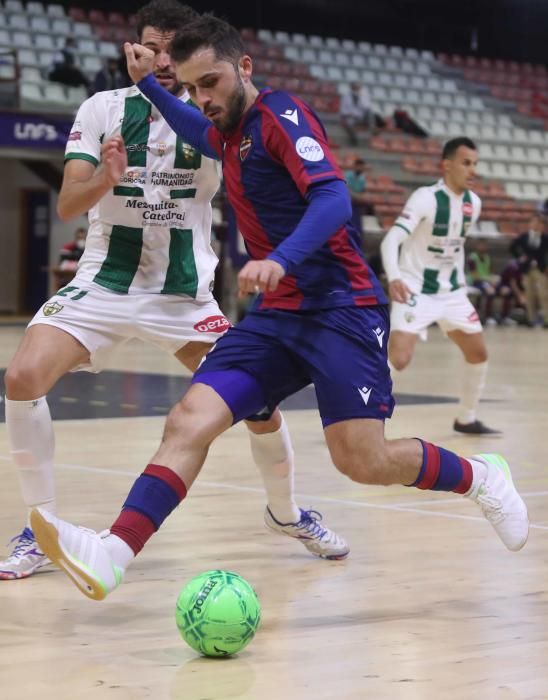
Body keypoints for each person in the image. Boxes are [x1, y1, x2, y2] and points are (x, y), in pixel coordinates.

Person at [30, 15, 528, 602]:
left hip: (342, 306)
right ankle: (114, 553)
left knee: (361, 461)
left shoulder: (281, 118)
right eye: (193, 87)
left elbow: (333, 197)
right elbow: (194, 126)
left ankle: (482, 477)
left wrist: (283, 260)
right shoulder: (222, 130)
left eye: (211, 82)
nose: (204, 99)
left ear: (245, 68)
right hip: (277, 316)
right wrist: (153, 88)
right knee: (189, 419)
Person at [0, 1, 348, 582]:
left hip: (185, 297)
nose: (160, 59)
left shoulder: (214, 116)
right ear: (132, 49)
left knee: (259, 404)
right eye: (149, 47)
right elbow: (66, 203)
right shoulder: (102, 108)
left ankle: (287, 515)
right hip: (104, 284)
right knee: (20, 378)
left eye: (170, 48)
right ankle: (39, 529)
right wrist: (106, 180)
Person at [380, 137, 500, 435]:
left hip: (452, 293)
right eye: (466, 163)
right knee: (399, 359)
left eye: (475, 164)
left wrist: (458, 283)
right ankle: (359, 417)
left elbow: (455, 246)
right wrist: (394, 277)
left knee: (478, 353)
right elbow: (391, 239)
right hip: (414, 288)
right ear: (447, 165)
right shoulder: (425, 197)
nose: (472, 169)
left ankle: (466, 418)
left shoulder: (475, 203)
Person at [510, 213, 548, 327]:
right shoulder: (524, 236)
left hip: (540, 269)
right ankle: (531, 319)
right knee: (529, 294)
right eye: (535, 222)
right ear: (530, 224)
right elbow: (512, 248)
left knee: (544, 294)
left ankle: (546, 319)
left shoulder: (545, 238)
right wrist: (520, 257)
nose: (537, 225)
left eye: (540, 223)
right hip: (526, 269)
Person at [467, 238, 497, 325]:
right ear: (477, 246)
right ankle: (488, 316)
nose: (483, 247)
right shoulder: (472, 257)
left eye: (484, 245)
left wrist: (492, 281)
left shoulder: (488, 258)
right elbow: (474, 275)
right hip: (474, 282)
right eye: (481, 245)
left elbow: (490, 273)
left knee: (496, 288)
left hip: (485, 281)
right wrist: (487, 280)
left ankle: (497, 316)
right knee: (490, 291)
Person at [344, 157, 373, 234]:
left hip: (357, 205)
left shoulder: (362, 178)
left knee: (357, 227)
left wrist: (365, 197)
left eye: (362, 167)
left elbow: (363, 191)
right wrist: (359, 197)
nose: (361, 169)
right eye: (359, 167)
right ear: (355, 166)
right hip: (348, 204)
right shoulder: (348, 176)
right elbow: (347, 191)